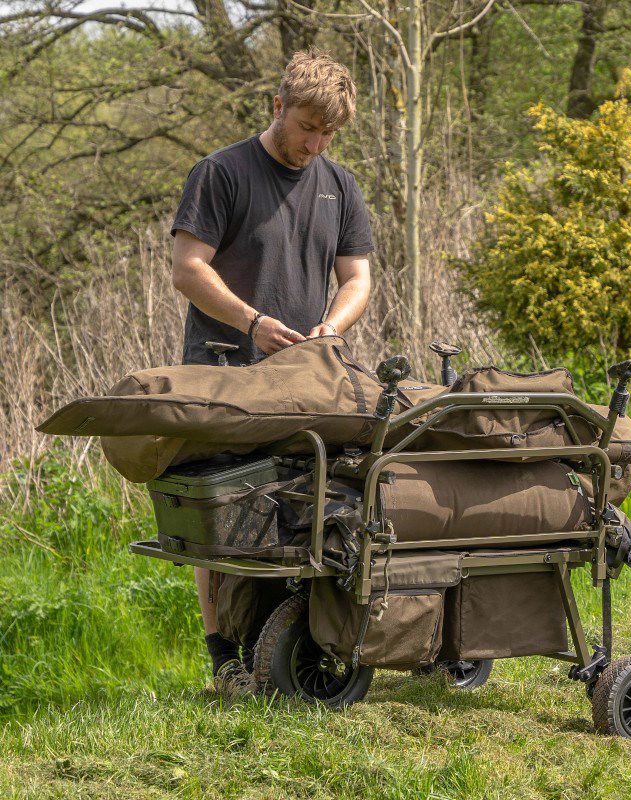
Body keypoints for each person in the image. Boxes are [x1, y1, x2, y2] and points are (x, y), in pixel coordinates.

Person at [169, 48, 373, 697]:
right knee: (220, 515)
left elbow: (358, 277)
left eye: (327, 133)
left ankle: (290, 645)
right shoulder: (221, 173)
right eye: (306, 126)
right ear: (278, 106)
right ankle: (223, 658)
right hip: (223, 373)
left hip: (306, 379)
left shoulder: (338, 186)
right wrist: (251, 322)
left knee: (303, 513)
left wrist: (332, 328)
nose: (314, 142)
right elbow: (188, 269)